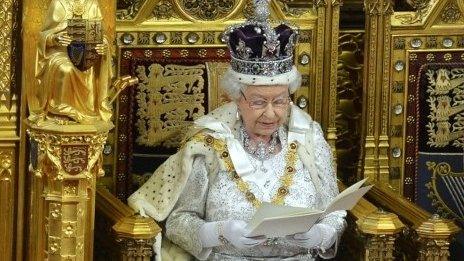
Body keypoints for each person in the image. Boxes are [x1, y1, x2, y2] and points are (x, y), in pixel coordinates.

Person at [128, 1, 346, 260]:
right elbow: (177, 223)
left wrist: (323, 234)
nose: (270, 113)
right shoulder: (209, 145)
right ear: (235, 99)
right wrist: (218, 232)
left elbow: (334, 211)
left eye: (279, 101)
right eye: (258, 102)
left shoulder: (308, 138)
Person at [30, 0, 112, 124]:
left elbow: (101, 34)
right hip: (60, 53)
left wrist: (103, 45)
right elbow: (44, 36)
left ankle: (86, 112)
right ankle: (61, 111)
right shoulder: (58, 3)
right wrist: (54, 39)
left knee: (87, 69)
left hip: (86, 55)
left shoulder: (92, 4)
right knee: (65, 69)